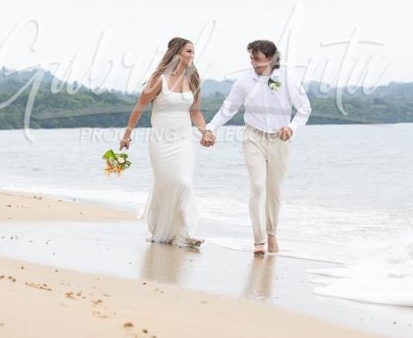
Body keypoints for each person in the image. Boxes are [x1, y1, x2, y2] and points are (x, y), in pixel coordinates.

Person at [201, 40, 311, 256]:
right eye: (251, 58)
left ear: (271, 59)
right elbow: (229, 108)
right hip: (253, 137)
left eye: (257, 59)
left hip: (280, 139)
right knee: (258, 187)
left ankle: (272, 233)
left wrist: (291, 127)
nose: (253, 63)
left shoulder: (287, 78)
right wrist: (211, 127)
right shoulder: (244, 81)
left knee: (274, 190)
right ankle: (258, 240)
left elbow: (304, 108)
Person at [120, 37, 206, 247]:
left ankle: (187, 231)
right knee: (166, 184)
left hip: (184, 140)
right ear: (176, 53)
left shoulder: (193, 78)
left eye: (193, 51)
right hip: (161, 141)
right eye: (188, 51)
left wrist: (205, 132)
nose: (192, 55)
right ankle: (162, 228)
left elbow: (195, 112)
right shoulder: (159, 79)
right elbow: (139, 107)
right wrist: (127, 135)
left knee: (184, 182)